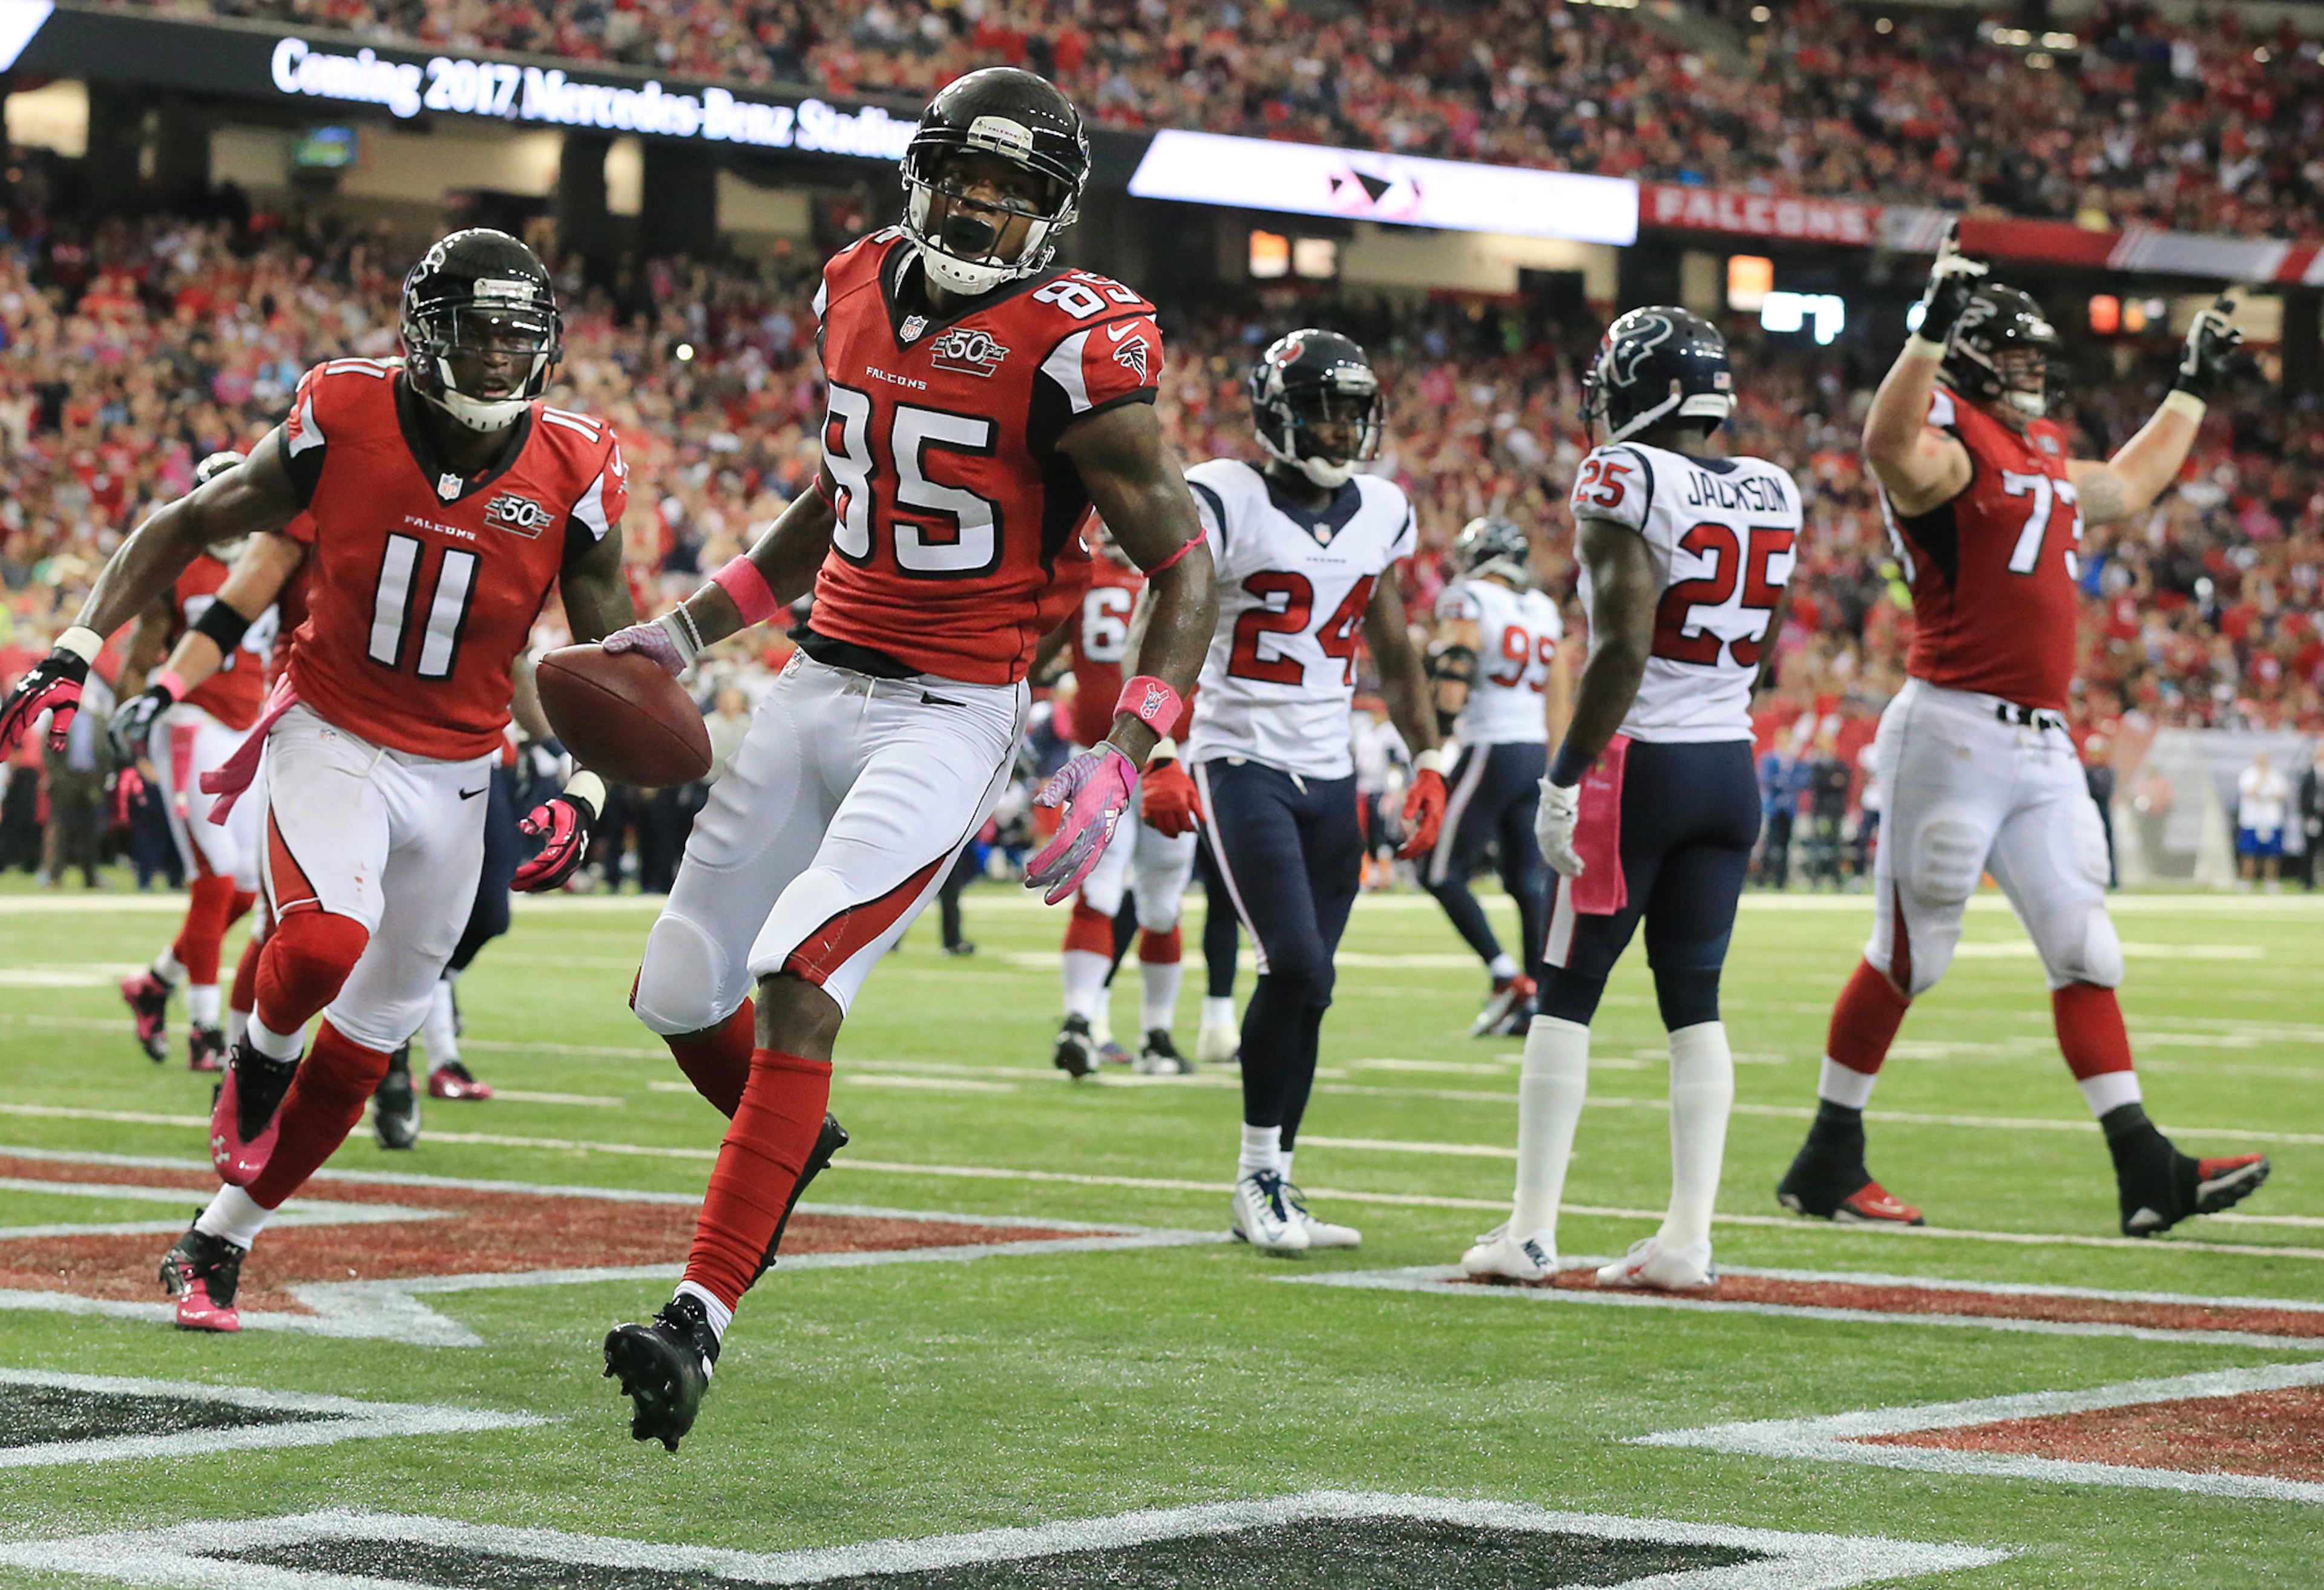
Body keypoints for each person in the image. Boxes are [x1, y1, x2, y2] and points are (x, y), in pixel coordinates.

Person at [597, 68, 1217, 1451]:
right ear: (920, 173)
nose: (981, 209)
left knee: (799, 976)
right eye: (964, 179)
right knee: (681, 986)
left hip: (951, 708)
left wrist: (1130, 746)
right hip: (812, 682)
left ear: (1051, 213)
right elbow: (839, 490)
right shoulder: (853, 284)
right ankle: (786, 1141)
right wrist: (690, 627)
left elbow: (1185, 563)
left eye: (1014, 193)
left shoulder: (1078, 343)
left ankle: (697, 1314)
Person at [0, 227, 636, 1330]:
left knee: (374, 1038)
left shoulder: (577, 462)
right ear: (422, 334)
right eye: (476, 331)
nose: (496, 356)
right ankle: (253, 1056)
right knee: (322, 943)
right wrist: (76, 646)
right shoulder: (341, 412)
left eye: (516, 336)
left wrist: (585, 790)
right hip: (331, 728)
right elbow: (190, 521)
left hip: (463, 764)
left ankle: (218, 1239)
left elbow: (608, 664)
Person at [1774, 227, 2268, 1237]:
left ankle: (2146, 1168)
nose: (2032, 374)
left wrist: (2191, 387)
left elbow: (2126, 486)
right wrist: (1927, 331)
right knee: (1912, 954)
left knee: (2087, 946)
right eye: (2014, 355)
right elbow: (1884, 446)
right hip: (1951, 729)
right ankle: (1829, 1153)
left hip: (2042, 740)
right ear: (1962, 356)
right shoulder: (1943, 446)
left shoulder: (2032, 448)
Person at [1461, 307, 1797, 1291]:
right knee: (1694, 1000)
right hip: (1731, 764)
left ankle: (1530, 1230)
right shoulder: (1775, 486)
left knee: (1568, 991)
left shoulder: (1625, 473)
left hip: (1641, 762)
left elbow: (1622, 644)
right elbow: (1763, 640)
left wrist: (1565, 772)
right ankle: (1687, 1239)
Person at [1185, 327, 1446, 1255]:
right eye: (1323, 407)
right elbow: (1169, 614)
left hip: (1332, 771)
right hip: (1239, 757)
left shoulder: (1381, 507)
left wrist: (1430, 758)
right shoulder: (1224, 494)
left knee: (1313, 987)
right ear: (1276, 412)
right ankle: (1257, 1175)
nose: (1340, 427)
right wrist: (1156, 747)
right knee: (1296, 965)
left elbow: (1393, 643)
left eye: (1352, 409)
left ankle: (1277, 1180)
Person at [111, 450, 277, 1071]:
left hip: (247, 725)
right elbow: (139, 660)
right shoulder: (179, 566)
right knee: (214, 878)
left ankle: (155, 981)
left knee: (248, 889)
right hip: (189, 720)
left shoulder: (273, 556)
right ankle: (205, 1028)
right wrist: (128, 745)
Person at [1042, 528, 1201, 1077]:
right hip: (1168, 756)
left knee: (1100, 891)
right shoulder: (1185, 578)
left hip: (1099, 753)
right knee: (1162, 902)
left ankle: (1080, 1021)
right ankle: (1156, 1036)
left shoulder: (1086, 580)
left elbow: (1040, 659)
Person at [1423, 514, 1568, 1036]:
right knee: (1527, 882)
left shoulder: (1469, 599)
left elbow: (1455, 670)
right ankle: (1541, 1001)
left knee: (1436, 869)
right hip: (1533, 752)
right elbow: (1559, 695)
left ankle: (1509, 978)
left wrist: (1433, 744)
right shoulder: (1545, 610)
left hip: (1490, 744)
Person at [2236, 748, 2289, 888]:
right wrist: (2262, 780)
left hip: (2272, 819)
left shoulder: (2276, 774)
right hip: (2252, 820)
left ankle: (2270, 881)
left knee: (2272, 853)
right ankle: (2247, 880)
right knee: (2249, 852)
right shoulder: (2248, 774)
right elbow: (2250, 792)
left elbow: (2282, 795)